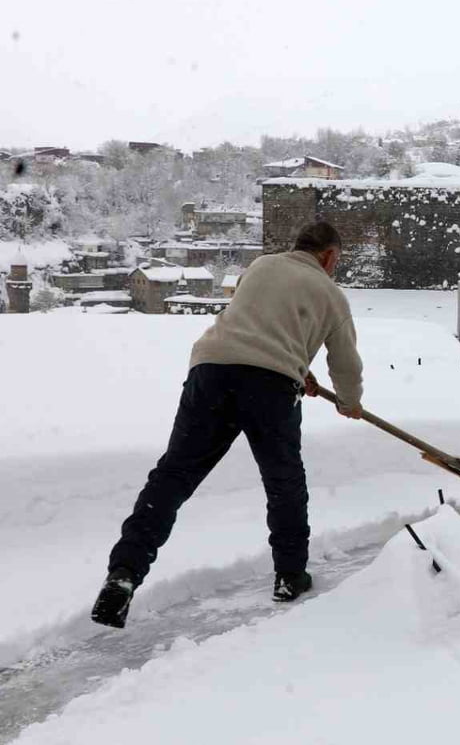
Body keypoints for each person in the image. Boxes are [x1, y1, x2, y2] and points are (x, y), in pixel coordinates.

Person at [90, 221, 364, 628]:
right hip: (270, 388)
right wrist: (349, 401)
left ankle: (124, 572)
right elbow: (344, 362)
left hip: (211, 370)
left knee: (174, 475)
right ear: (328, 256)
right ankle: (290, 576)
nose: (334, 268)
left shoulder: (261, 266)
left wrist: (296, 364)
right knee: (283, 481)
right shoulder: (331, 294)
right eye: (336, 261)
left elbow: (261, 323)